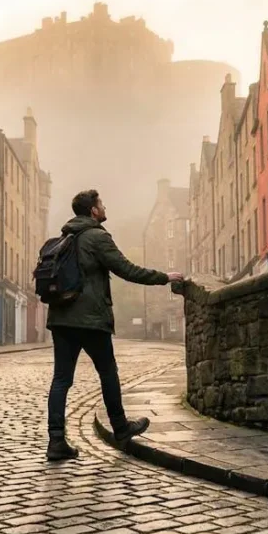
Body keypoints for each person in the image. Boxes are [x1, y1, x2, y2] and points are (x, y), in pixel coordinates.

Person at [44, 189, 184, 461]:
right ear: (93, 211)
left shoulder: (64, 238)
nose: (105, 206)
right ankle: (120, 428)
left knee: (61, 379)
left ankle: (56, 441)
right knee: (108, 372)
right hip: (90, 321)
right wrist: (164, 277)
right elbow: (127, 269)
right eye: (101, 204)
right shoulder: (97, 237)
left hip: (61, 319)